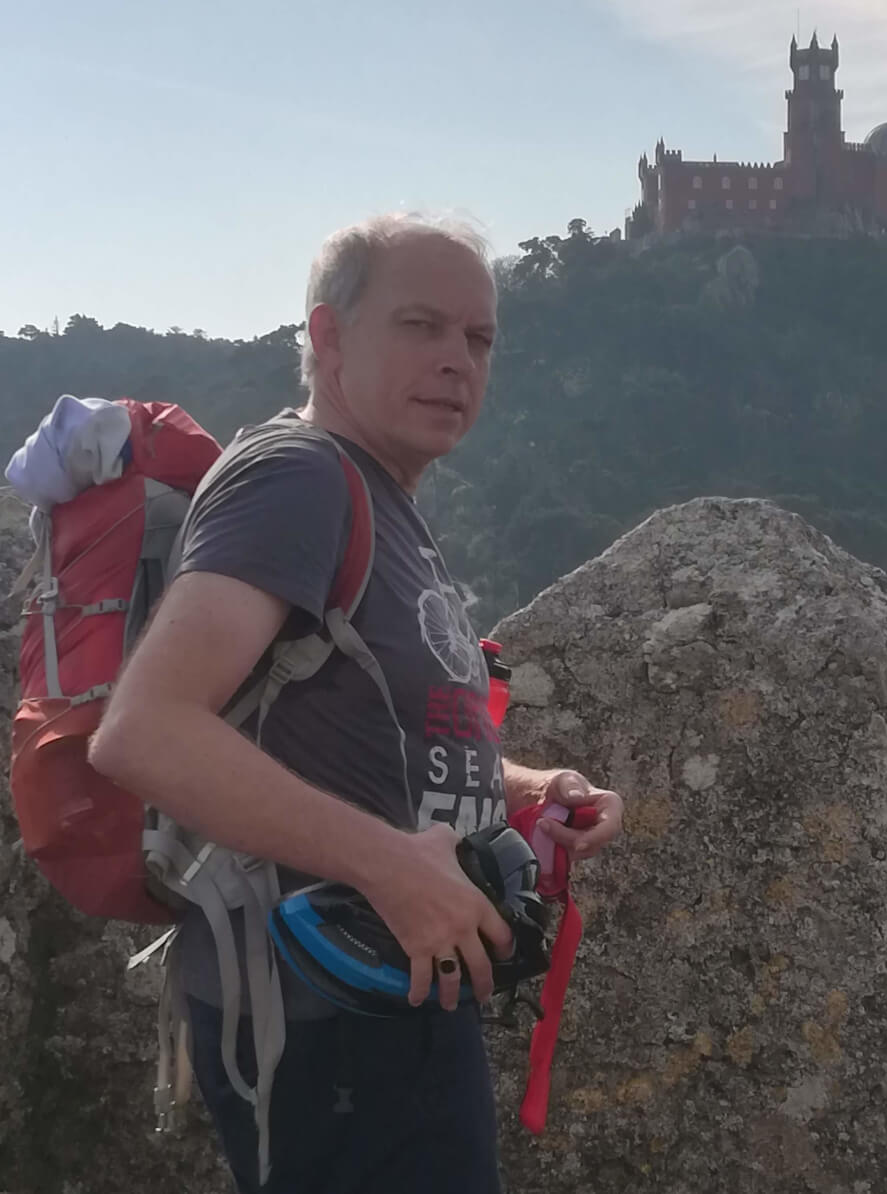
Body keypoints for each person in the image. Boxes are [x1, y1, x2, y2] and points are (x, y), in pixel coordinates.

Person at [89, 212, 624, 1193]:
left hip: (387, 995)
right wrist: (392, 867)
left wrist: (523, 789)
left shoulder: (385, 499)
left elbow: (371, 740)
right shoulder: (297, 479)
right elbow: (146, 731)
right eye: (421, 326)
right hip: (322, 1015)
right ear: (328, 339)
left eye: (478, 337)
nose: (457, 361)